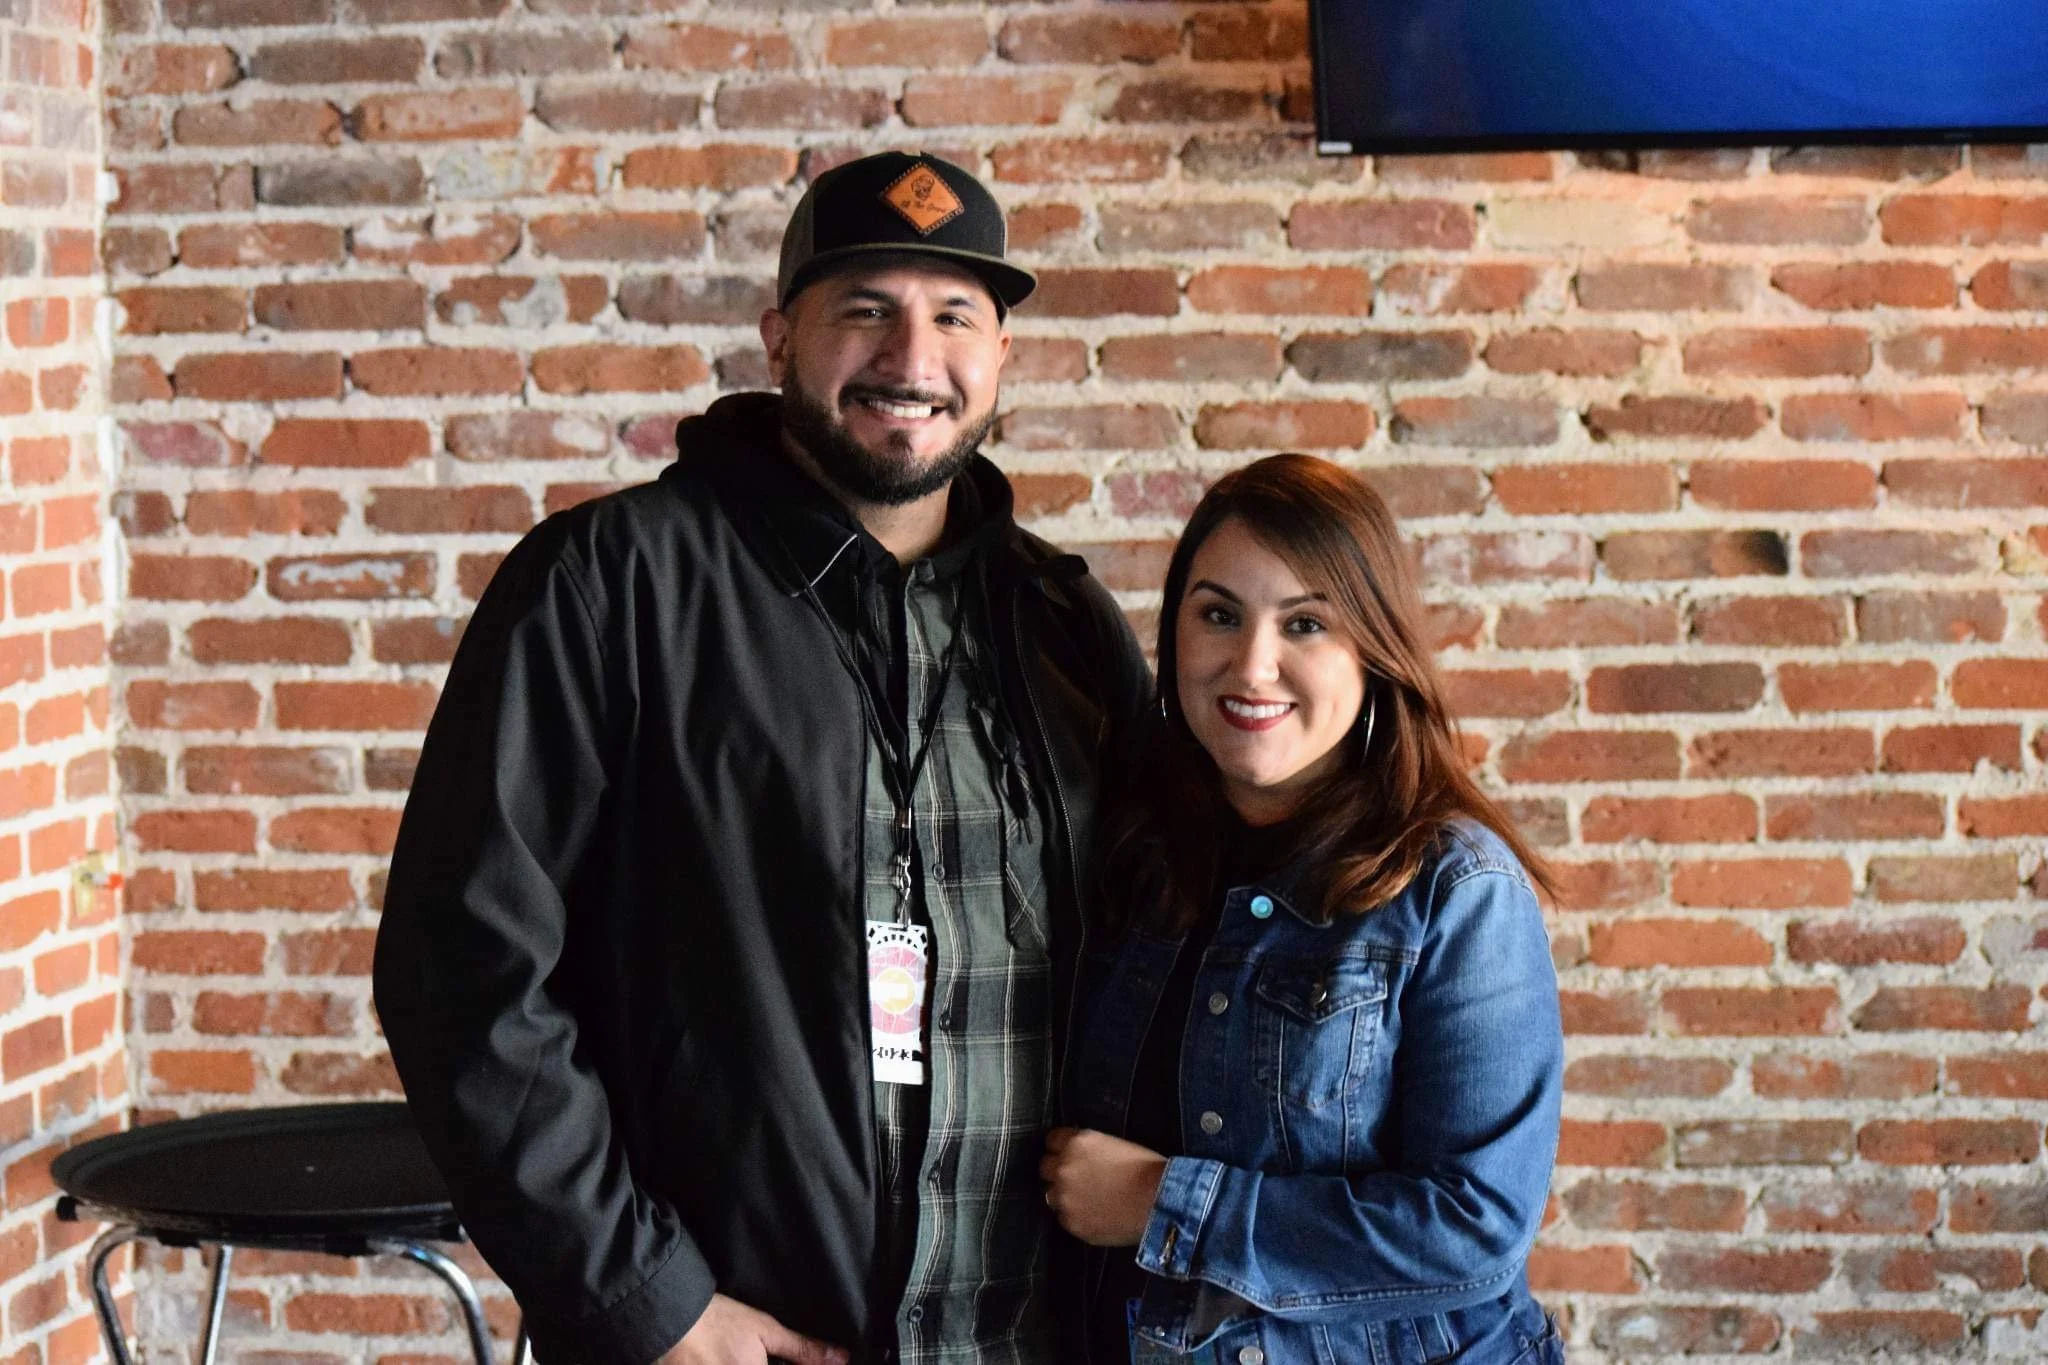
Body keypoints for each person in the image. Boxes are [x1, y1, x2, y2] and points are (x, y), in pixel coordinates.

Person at [373, 150, 1149, 1365]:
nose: (911, 359)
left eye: (954, 316)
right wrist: (647, 1300)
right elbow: (465, 970)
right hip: (743, 1341)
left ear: (1001, 357)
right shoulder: (609, 585)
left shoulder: (1059, 623)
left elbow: (1158, 953)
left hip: (1026, 1334)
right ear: (780, 337)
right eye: (863, 311)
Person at [1040, 454, 1566, 1364]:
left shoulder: (1454, 891)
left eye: (1306, 623)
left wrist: (1160, 1200)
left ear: (1374, 650)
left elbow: (1475, 1227)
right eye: (1218, 615)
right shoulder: (1128, 853)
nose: (1253, 663)